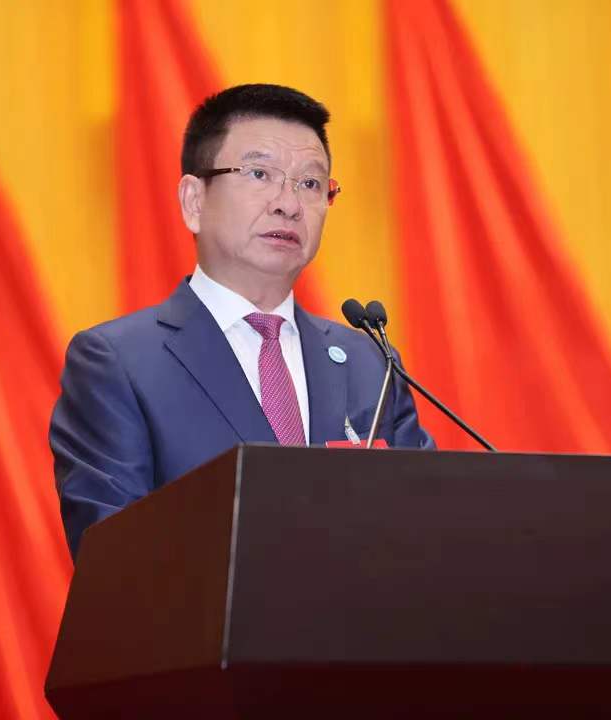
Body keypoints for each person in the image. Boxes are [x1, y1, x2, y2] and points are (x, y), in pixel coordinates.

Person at [50, 84, 434, 558]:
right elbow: (116, 560)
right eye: (259, 174)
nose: (288, 203)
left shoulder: (370, 364)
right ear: (194, 201)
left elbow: (424, 532)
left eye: (311, 184)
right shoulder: (118, 363)